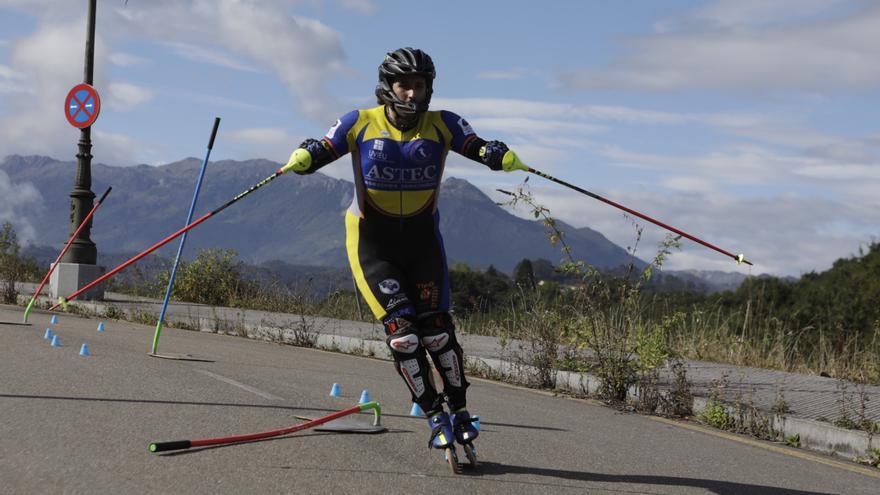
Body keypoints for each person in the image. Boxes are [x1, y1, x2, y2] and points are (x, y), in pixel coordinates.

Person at [284, 47, 527, 453]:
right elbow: (325, 148)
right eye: (404, 85)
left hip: (422, 243)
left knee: (437, 333)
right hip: (371, 244)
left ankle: (461, 409)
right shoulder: (359, 122)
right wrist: (306, 157)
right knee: (403, 337)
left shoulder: (442, 124)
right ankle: (433, 414)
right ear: (387, 87)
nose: (412, 94)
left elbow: (474, 144)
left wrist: (494, 154)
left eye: (419, 85)